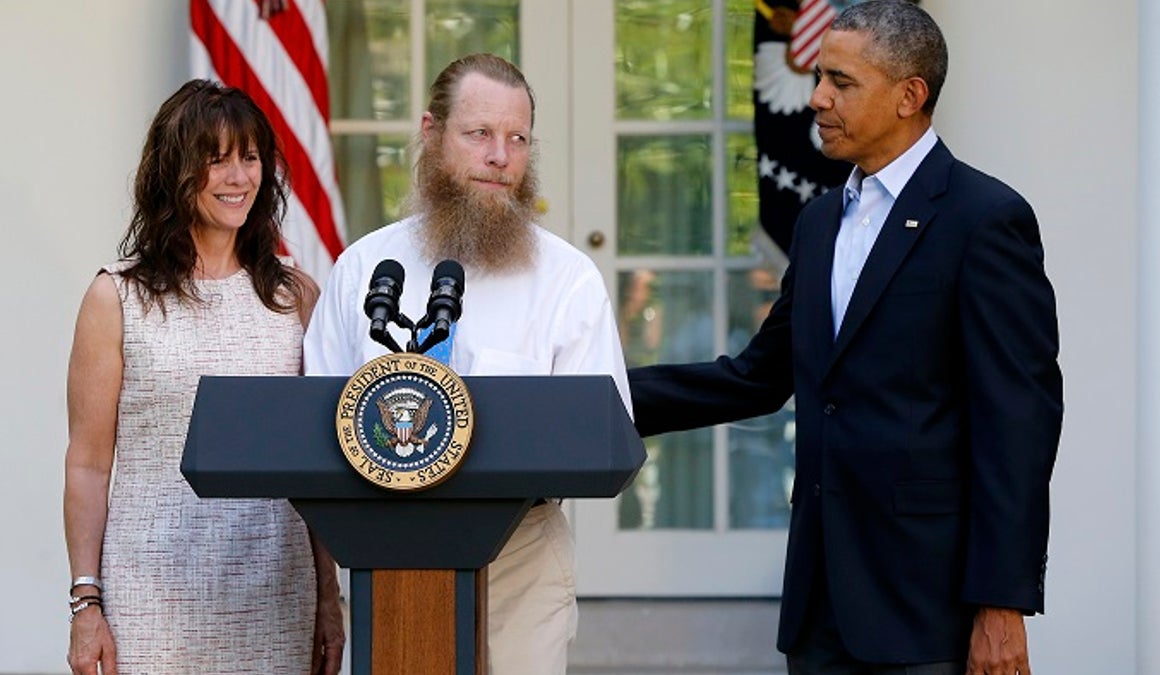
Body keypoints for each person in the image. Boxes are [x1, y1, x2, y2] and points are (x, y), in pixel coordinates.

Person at [629, 2, 1062, 674]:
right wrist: (604, 396)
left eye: (841, 82)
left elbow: (1019, 423)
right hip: (820, 603)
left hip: (930, 606)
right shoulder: (819, 222)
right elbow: (758, 375)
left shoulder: (985, 220)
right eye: (819, 78)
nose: (817, 98)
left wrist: (1002, 602)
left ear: (909, 96)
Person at [303, 53, 632, 675]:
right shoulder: (363, 270)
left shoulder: (567, 280)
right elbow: (317, 420)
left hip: (521, 555)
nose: (500, 157)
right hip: (386, 554)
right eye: (479, 134)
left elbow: (603, 433)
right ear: (431, 133)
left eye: (517, 139)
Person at [63, 79, 345, 674]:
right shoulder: (116, 297)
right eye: (213, 160)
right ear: (173, 170)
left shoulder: (296, 297)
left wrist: (327, 595)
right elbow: (88, 462)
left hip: (273, 588)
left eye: (248, 158)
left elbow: (323, 462)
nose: (237, 177)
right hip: (150, 593)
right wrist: (86, 601)